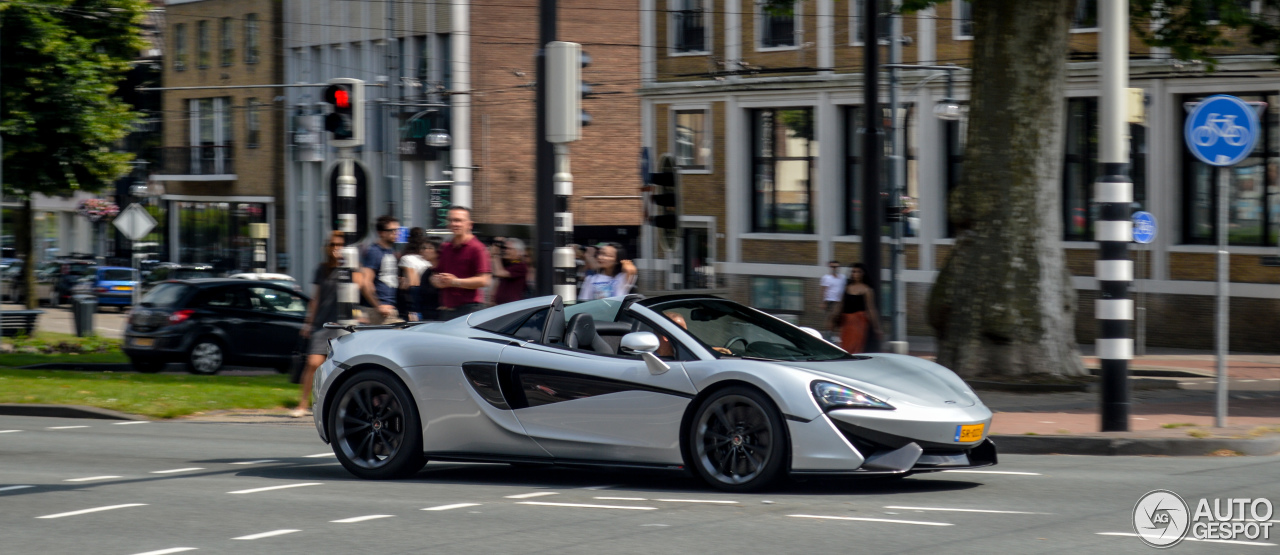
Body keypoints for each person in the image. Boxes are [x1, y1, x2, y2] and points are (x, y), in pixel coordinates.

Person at [294, 231, 346, 418]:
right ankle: (302, 404)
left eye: (339, 245)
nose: (335, 248)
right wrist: (308, 323)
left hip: (342, 325)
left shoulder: (348, 269)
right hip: (322, 324)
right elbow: (316, 298)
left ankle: (332, 405)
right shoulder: (321, 269)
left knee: (339, 367)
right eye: (332, 244)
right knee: (312, 363)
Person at [430, 206, 492, 316]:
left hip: (469, 310)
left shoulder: (477, 248)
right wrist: (436, 281)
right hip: (447, 310)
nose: (454, 224)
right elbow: (436, 274)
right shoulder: (446, 247)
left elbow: (484, 280)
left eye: (458, 220)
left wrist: (455, 282)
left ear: (469, 224)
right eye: (451, 220)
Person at [829, 262, 883, 354]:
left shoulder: (867, 290)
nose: (855, 274)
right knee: (844, 345)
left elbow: (871, 309)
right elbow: (840, 304)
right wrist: (833, 318)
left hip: (859, 321)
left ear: (863, 274)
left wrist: (877, 328)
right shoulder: (847, 288)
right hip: (846, 321)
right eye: (853, 272)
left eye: (858, 272)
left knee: (855, 346)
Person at [360, 215, 401, 324]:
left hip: (390, 309)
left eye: (397, 230)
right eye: (392, 231)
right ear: (381, 233)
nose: (396, 233)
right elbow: (366, 283)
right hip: (378, 311)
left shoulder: (390, 251)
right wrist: (378, 305)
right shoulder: (374, 252)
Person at [398, 227, 431, 321]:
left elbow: (413, 282)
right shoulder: (429, 260)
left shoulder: (407, 258)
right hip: (429, 301)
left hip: (416, 304)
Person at [490, 237, 529, 305]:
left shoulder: (521, 266)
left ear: (518, 252)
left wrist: (495, 254)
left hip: (511, 307)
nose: (505, 251)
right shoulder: (508, 264)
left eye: (509, 249)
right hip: (501, 306)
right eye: (505, 248)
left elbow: (499, 273)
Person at [416, 236, 443, 321]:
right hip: (427, 318)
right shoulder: (427, 272)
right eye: (423, 248)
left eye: (429, 248)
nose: (424, 251)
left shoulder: (445, 271)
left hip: (442, 317)